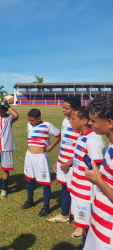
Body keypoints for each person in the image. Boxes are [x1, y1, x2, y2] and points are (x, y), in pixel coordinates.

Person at [67, 106, 105, 249]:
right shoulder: (83, 137)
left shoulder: (92, 140)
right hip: (78, 191)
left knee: (89, 226)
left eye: (73, 118)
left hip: (87, 195)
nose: (70, 121)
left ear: (84, 120)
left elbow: (98, 171)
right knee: (83, 225)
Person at [84, 95, 113, 250]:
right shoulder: (111, 145)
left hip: (108, 236)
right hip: (99, 222)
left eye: (93, 121)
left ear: (109, 123)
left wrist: (98, 181)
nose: (89, 123)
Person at [21, 108, 61, 217]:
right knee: (29, 179)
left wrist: (51, 146)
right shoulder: (29, 125)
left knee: (45, 182)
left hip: (40, 157)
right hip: (29, 156)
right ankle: (30, 201)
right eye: (29, 120)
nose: (30, 122)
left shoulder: (47, 125)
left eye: (33, 120)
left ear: (39, 118)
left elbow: (59, 135)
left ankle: (46, 207)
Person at [48, 97, 81, 225]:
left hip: (73, 164)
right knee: (64, 188)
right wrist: (58, 160)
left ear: (75, 109)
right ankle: (64, 215)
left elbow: (82, 147)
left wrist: (69, 163)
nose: (63, 110)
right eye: (63, 107)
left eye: (66, 108)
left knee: (75, 191)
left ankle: (80, 220)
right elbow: (64, 143)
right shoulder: (64, 121)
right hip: (63, 162)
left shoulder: (80, 123)